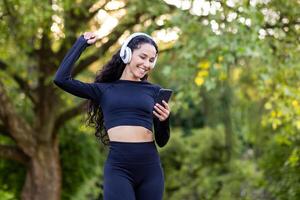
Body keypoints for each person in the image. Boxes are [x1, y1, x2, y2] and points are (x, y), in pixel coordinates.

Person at [53, 31, 171, 200]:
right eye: (143, 57)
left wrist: (164, 121)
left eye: (151, 60)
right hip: (119, 169)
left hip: (150, 168)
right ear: (127, 53)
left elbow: (162, 141)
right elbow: (61, 79)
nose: (147, 64)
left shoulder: (154, 91)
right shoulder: (104, 89)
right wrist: (82, 43)